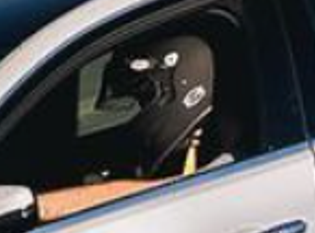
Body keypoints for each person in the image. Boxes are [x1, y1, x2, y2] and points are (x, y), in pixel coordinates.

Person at [37, 31, 227, 221]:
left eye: (142, 97)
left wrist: (41, 206)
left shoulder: (224, 168)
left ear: (177, 89)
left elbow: (166, 189)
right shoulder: (171, 156)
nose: (137, 109)